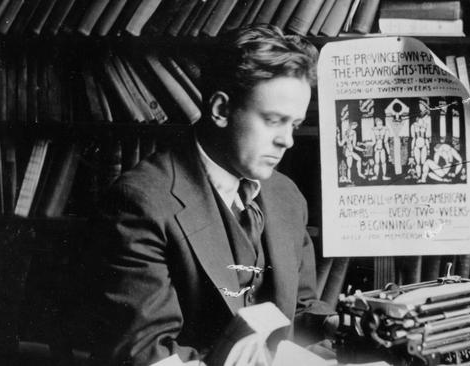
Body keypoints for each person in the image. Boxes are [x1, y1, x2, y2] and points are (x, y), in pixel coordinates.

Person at [86, 25, 335, 366]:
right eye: (274, 120)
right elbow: (148, 355)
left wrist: (334, 325)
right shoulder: (139, 202)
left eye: (293, 124)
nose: (287, 141)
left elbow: (300, 308)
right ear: (220, 109)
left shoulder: (286, 196)